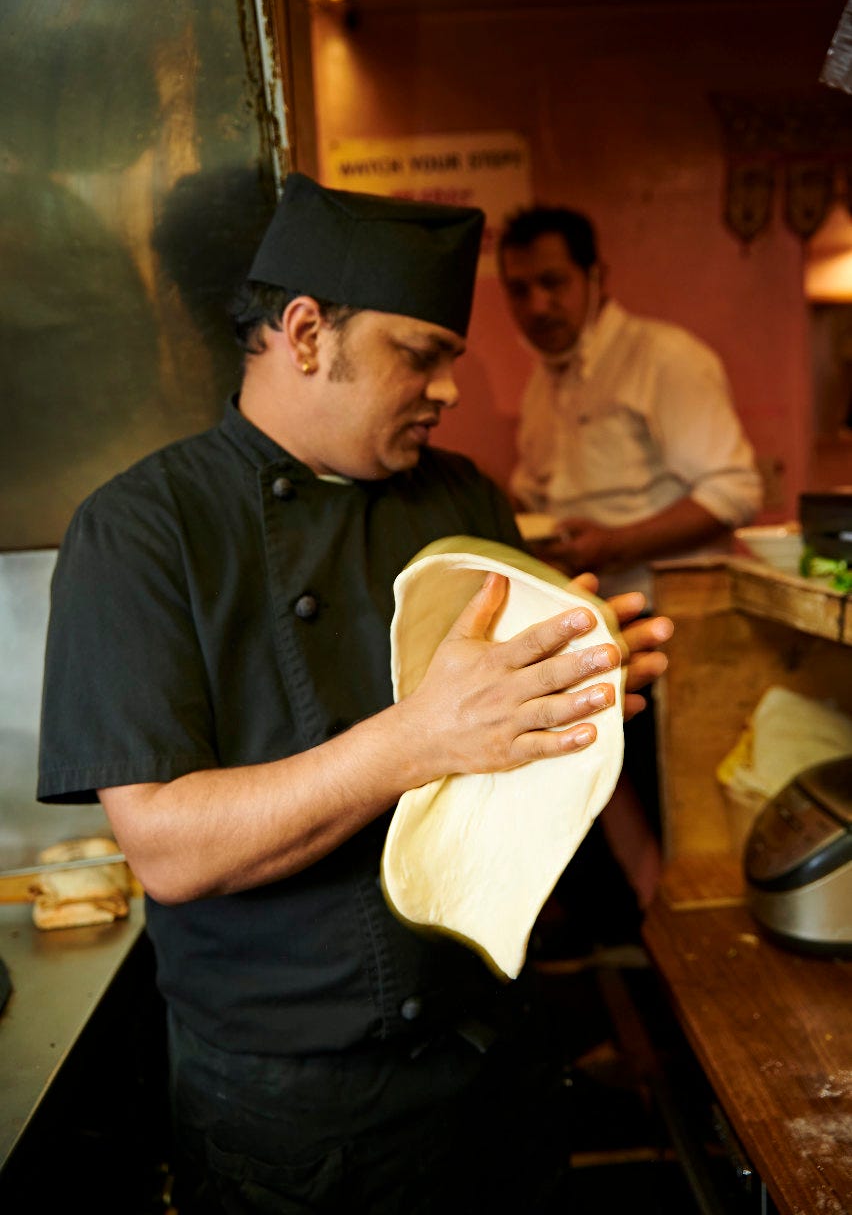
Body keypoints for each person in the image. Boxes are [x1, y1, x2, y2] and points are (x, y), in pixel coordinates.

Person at [37, 173, 673, 1215]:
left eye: (450, 359)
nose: (449, 389)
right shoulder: (142, 531)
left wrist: (575, 696)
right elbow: (169, 848)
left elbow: (503, 768)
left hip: (495, 1057)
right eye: (419, 354)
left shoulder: (463, 497)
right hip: (294, 1113)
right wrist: (420, 736)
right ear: (304, 333)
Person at [497, 204, 762, 946]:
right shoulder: (544, 383)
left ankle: (681, 967)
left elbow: (734, 493)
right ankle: (625, 953)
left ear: (595, 277)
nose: (537, 305)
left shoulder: (663, 358)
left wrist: (611, 545)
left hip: (681, 633)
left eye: (553, 283)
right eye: (519, 289)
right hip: (597, 631)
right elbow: (539, 496)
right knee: (593, 795)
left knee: (675, 825)